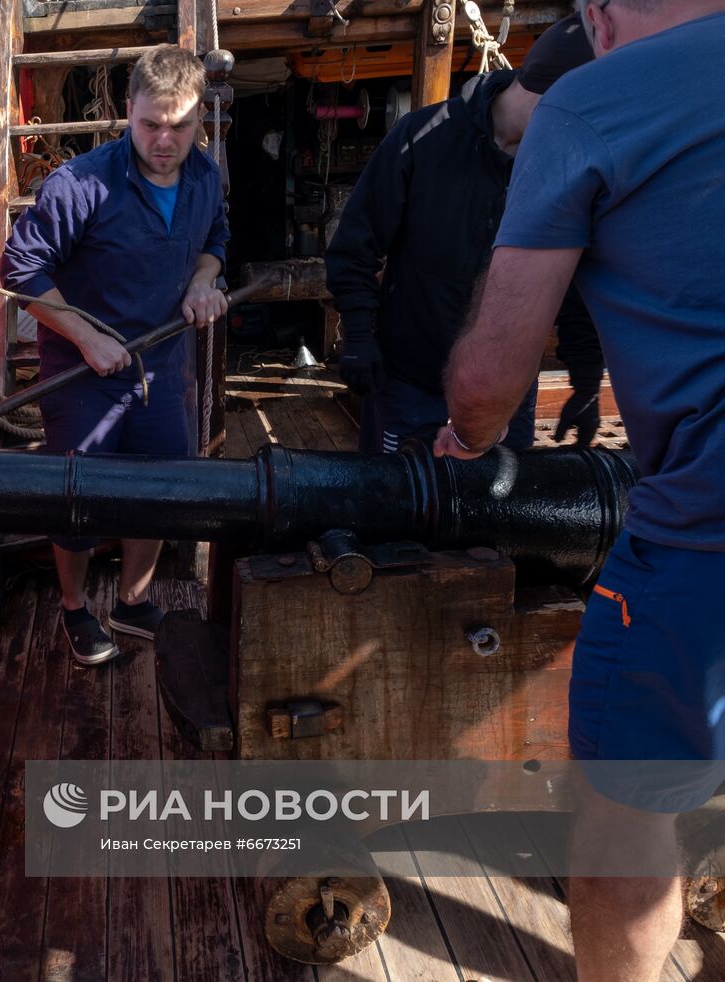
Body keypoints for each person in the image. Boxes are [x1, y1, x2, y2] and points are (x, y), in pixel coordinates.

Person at [434, 2, 725, 979]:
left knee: (624, 823)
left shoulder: (592, 103)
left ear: (597, 16)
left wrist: (463, 434)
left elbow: (485, 385)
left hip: (705, 534)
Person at [1, 44, 229, 666]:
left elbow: (216, 239)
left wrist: (205, 280)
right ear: (127, 111)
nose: (164, 139)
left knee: (157, 489)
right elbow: (21, 268)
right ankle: (74, 608)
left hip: (163, 367)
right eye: (151, 123)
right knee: (77, 498)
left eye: (180, 126)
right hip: (83, 373)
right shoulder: (79, 185)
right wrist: (86, 336)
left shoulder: (206, 178)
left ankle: (132, 602)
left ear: (197, 122)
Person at [326, 17, 603, 453]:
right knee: (395, 511)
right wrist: (359, 333)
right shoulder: (422, 138)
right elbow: (354, 247)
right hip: (411, 383)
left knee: (494, 516)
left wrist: (585, 379)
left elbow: (574, 278)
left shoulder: (569, 167)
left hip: (506, 398)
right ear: (550, 96)